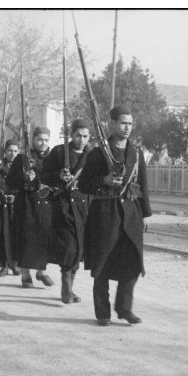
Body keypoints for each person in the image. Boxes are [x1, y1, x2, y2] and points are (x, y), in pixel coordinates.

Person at [79, 105, 152, 326]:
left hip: (131, 214)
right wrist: (104, 180)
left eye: (130, 123)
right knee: (102, 264)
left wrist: (146, 214)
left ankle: (124, 308)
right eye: (122, 123)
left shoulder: (137, 153)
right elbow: (83, 184)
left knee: (132, 263)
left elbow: (143, 186)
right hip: (105, 213)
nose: (127, 127)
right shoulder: (98, 152)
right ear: (111, 123)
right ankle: (102, 312)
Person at [41, 119, 91, 304]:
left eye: (85, 136)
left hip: (84, 207)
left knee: (79, 249)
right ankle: (66, 288)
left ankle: (70, 288)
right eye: (78, 135)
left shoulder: (92, 154)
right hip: (63, 206)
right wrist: (58, 176)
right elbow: (43, 176)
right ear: (72, 135)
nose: (82, 140)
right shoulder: (59, 152)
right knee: (69, 248)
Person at [6, 126, 54, 288]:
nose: (43, 143)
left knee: (45, 239)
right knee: (26, 240)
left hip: (46, 204)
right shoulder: (22, 158)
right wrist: (24, 177)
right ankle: (26, 275)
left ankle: (41, 272)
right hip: (26, 204)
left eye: (46, 140)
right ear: (33, 140)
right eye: (40, 140)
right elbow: (10, 182)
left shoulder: (53, 157)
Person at [0, 138, 20, 276]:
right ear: (5, 152)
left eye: (15, 151)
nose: (12, 154)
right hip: (1, 205)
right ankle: (3, 265)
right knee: (1, 235)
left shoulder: (21, 166)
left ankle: (15, 264)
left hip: (17, 206)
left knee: (15, 235)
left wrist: (16, 196)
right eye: (9, 151)